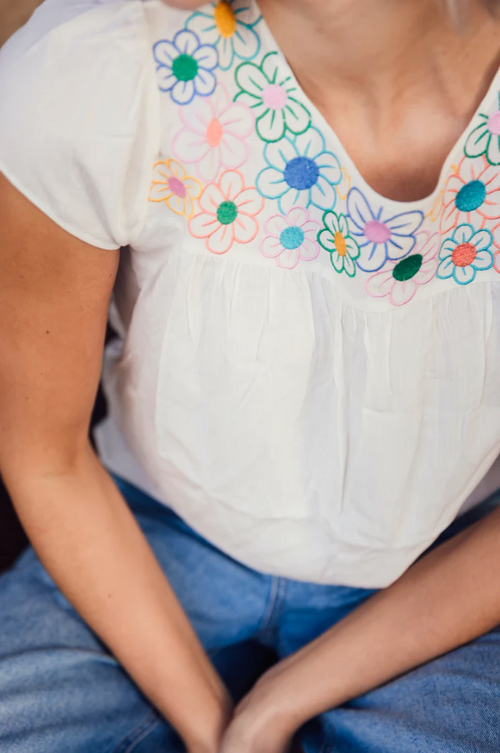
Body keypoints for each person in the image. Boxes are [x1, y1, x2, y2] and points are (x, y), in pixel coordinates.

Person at [1, 0, 500, 750]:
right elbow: (47, 457)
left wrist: (282, 699)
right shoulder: (95, 70)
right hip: (145, 545)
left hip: (449, 577)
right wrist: (214, 727)